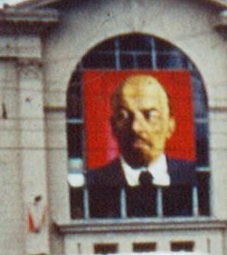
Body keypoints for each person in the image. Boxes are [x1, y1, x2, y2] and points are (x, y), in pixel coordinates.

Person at [84, 74, 196, 218]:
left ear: (170, 124)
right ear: (113, 127)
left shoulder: (194, 175)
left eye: (150, 116)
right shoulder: (93, 183)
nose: (136, 127)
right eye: (123, 116)